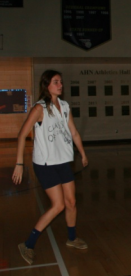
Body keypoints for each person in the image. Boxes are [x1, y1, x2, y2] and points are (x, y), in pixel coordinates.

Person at [12, 70, 89, 265]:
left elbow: (74, 132)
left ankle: (72, 238)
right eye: (56, 82)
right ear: (47, 85)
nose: (60, 85)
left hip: (63, 161)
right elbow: (22, 135)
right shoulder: (39, 108)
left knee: (71, 202)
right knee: (58, 205)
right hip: (46, 164)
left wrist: (83, 153)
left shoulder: (64, 106)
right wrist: (19, 163)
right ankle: (28, 244)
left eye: (61, 82)